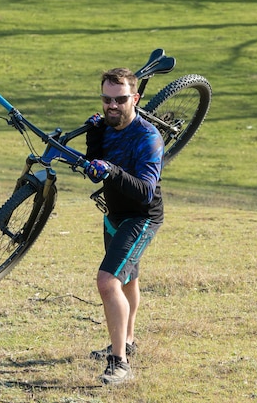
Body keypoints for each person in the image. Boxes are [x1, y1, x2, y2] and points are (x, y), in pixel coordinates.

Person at [83, 67, 164, 384]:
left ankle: (119, 363)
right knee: (127, 279)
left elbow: (145, 190)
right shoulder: (106, 127)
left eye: (119, 100)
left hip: (141, 216)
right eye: (106, 99)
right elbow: (94, 170)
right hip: (113, 214)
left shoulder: (148, 137)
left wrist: (111, 170)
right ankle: (127, 341)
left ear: (135, 98)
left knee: (107, 281)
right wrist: (93, 144)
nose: (111, 106)